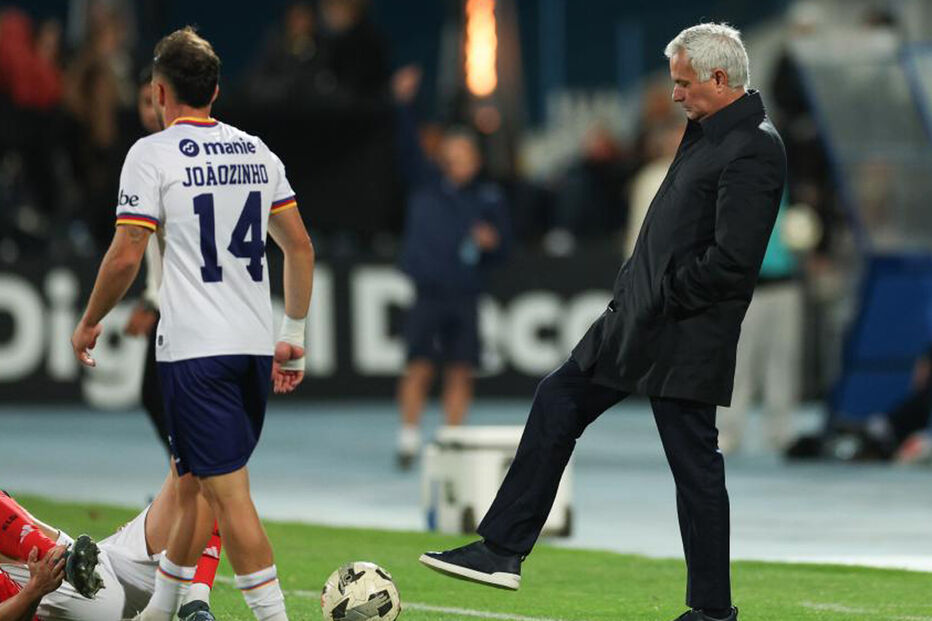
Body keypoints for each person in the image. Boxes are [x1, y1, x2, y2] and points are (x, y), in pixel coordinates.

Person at [420, 23, 786, 621]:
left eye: (683, 83)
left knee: (694, 467)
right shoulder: (709, 131)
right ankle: (502, 549)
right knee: (559, 399)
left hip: (683, 330)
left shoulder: (754, 146)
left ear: (720, 79)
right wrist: (638, 290)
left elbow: (733, 261)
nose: (674, 94)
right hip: (638, 318)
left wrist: (664, 294)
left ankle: (713, 611)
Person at [70, 27, 314, 621]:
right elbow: (300, 248)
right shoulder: (257, 153)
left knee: (229, 496)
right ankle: (162, 610)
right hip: (252, 347)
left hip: (195, 353)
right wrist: (294, 336)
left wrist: (91, 319)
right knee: (192, 484)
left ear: (159, 92)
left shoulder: (151, 154)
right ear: (216, 90)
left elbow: (127, 253)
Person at [391, 65, 510, 468]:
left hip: (466, 295)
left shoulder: (489, 198)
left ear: (476, 159)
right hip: (428, 293)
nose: (458, 160)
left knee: (461, 369)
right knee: (419, 365)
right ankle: (408, 438)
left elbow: (504, 250)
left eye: (465, 155)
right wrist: (404, 103)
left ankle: (452, 441)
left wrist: (492, 244)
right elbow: (406, 143)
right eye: (452, 154)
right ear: (444, 157)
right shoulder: (425, 183)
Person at [0, 482, 223, 621]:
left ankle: (196, 606)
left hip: (102, 561)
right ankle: (67, 563)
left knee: (202, 472)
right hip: (68, 602)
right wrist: (34, 591)